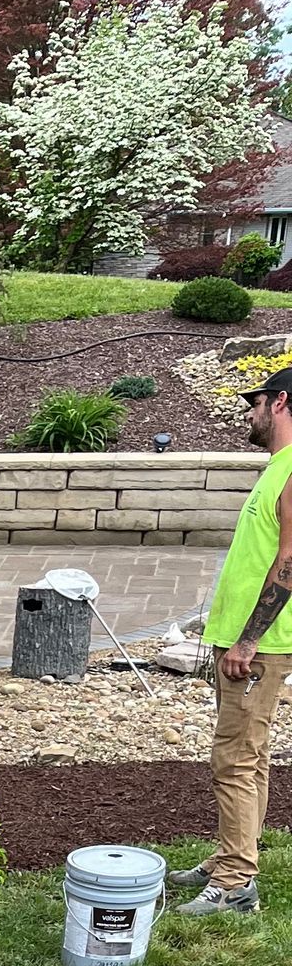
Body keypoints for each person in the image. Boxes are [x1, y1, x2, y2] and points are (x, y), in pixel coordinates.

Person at [169, 363, 292, 915]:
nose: (251, 410)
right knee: (252, 757)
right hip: (245, 642)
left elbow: (290, 563)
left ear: (281, 403)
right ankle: (230, 858)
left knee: (234, 761)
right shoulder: (276, 468)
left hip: (257, 648)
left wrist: (247, 642)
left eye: (257, 401)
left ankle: (238, 885)